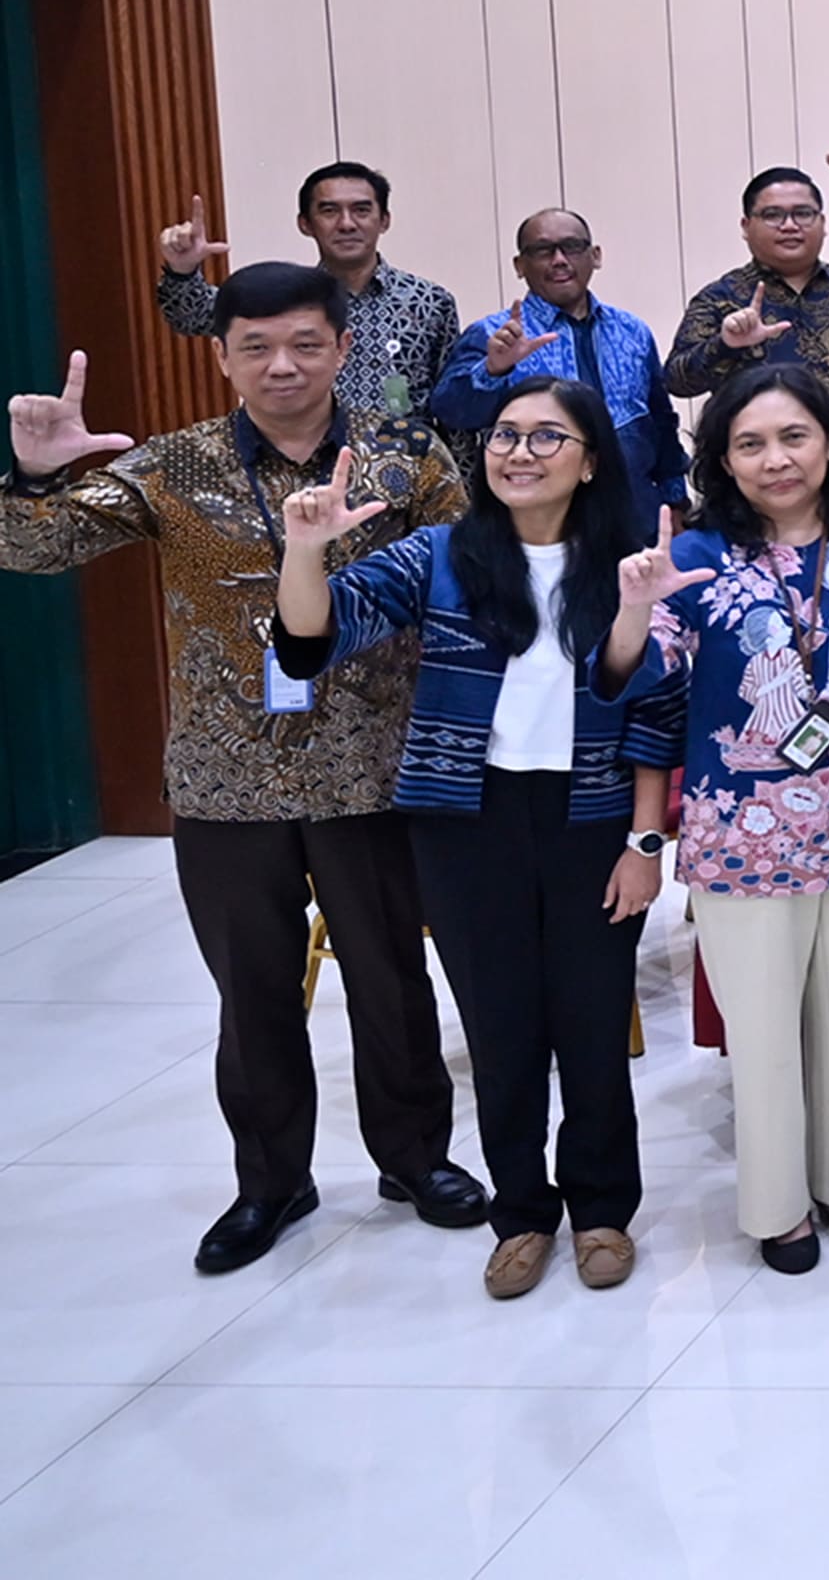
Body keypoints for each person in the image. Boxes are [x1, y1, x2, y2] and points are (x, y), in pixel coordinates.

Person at [1, 265, 485, 1272]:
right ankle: (271, 1181)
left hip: (372, 767)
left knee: (392, 981)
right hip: (228, 781)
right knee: (252, 991)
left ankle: (414, 1157)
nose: (283, 365)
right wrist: (36, 475)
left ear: (344, 348)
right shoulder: (172, 466)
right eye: (256, 347)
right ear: (221, 356)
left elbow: (471, 577)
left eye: (307, 343)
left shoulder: (404, 457)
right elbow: (32, 552)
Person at [274, 378, 679, 1300]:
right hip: (466, 821)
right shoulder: (439, 555)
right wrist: (304, 552)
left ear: (586, 463)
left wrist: (646, 847)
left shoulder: (627, 562)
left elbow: (651, 708)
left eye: (547, 438)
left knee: (590, 1022)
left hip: (590, 822)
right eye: (505, 435)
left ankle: (604, 1210)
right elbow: (311, 640)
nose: (521, 453)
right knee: (500, 1031)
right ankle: (523, 1214)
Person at [604, 369, 829, 1277]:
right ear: (724, 461)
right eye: (750, 444)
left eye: (793, 438)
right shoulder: (694, 555)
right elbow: (632, 675)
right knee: (766, 1030)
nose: (776, 460)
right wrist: (632, 604)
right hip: (743, 834)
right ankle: (777, 1208)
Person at [666, 167, 829, 483]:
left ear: (823, 223)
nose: (790, 226)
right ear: (746, 226)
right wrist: (724, 346)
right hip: (757, 487)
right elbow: (677, 381)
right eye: (772, 215)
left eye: (803, 214)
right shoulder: (720, 299)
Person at [433, 208, 689, 523]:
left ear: (595, 256)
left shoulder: (632, 330)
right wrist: (492, 370)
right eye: (542, 251)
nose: (559, 260)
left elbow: (660, 420)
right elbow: (451, 412)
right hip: (539, 522)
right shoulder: (494, 335)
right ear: (519, 265)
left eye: (572, 247)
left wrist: (675, 499)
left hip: (636, 515)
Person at [158, 163, 458, 422]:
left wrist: (459, 484)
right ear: (305, 224)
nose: (347, 224)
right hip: (307, 466)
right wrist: (182, 270)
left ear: (384, 221)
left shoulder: (429, 302)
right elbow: (191, 316)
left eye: (361, 210)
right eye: (329, 211)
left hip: (407, 469)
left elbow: (451, 405)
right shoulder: (286, 299)